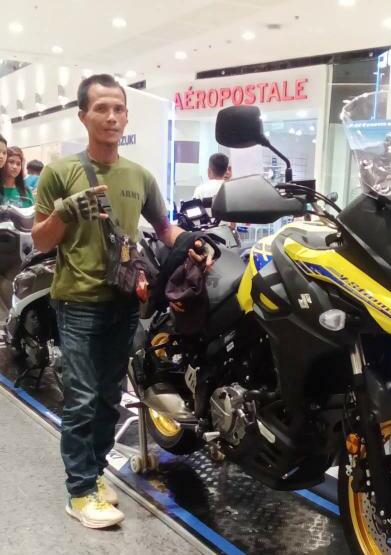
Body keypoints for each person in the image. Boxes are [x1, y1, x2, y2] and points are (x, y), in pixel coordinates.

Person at [32, 73, 211, 530]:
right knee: (82, 399)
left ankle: (92, 475)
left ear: (126, 116)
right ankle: (79, 492)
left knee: (111, 398)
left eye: (118, 109)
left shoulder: (139, 175)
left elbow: (164, 227)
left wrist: (190, 243)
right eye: (101, 109)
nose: (111, 117)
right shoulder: (60, 173)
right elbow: (41, 240)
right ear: (83, 116)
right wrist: (66, 211)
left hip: (126, 301)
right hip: (77, 302)